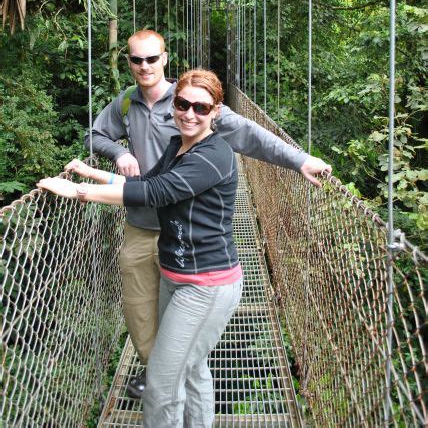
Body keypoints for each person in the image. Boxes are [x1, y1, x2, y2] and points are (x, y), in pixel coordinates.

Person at [83, 29, 331, 397]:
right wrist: (120, 153)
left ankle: (164, 382)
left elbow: (249, 134)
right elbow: (94, 135)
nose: (145, 66)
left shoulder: (191, 100)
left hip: (185, 232)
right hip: (140, 223)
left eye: (152, 58)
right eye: (137, 59)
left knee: (179, 318)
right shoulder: (126, 103)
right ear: (130, 63)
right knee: (138, 309)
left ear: (165, 58)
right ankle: (160, 373)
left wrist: (300, 160)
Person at [38, 70, 243, 427]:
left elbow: (153, 195)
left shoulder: (215, 155)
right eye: (182, 104)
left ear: (216, 111)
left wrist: (79, 193)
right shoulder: (177, 146)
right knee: (192, 369)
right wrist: (93, 173)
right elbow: (148, 182)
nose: (190, 113)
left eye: (201, 107)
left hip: (206, 285)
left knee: (162, 387)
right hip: (175, 275)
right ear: (174, 104)